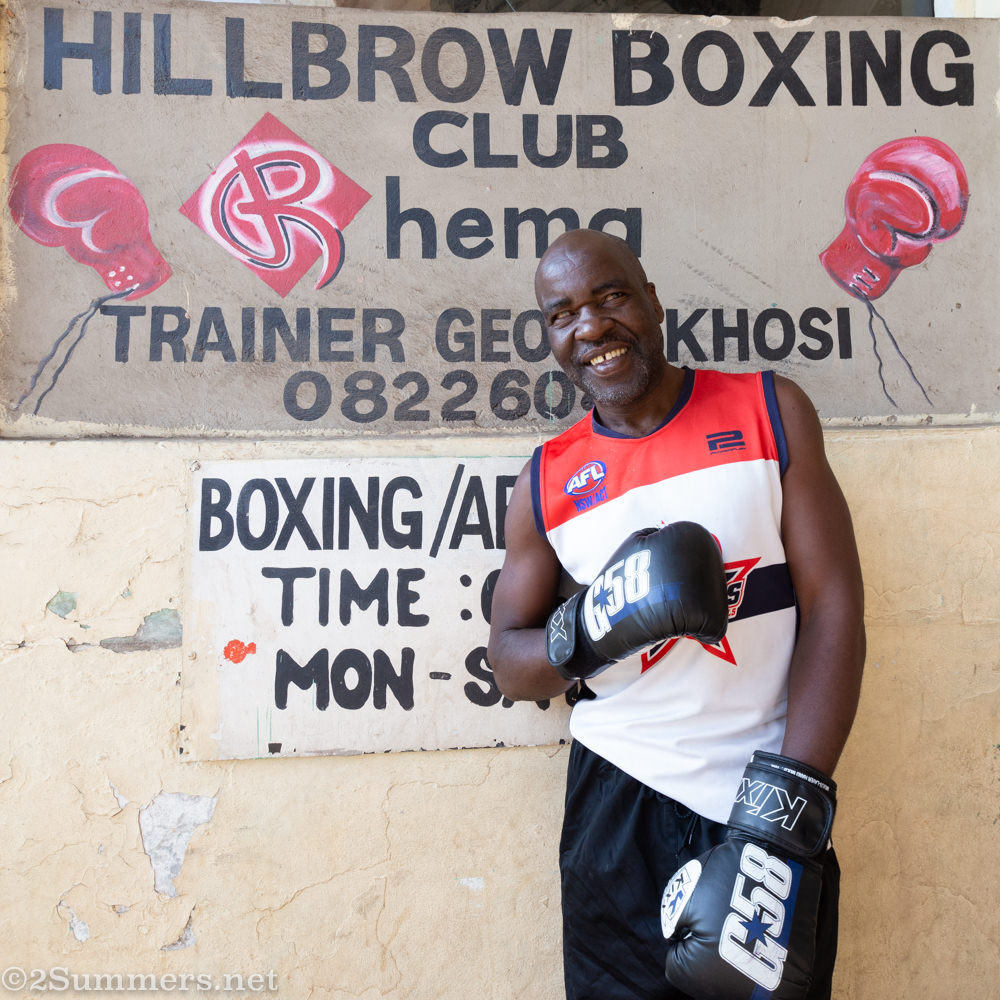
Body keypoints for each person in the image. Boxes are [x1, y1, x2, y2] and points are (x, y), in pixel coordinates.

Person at [486, 228, 865, 1000]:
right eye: (563, 314)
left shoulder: (769, 409)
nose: (591, 327)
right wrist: (589, 626)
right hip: (617, 804)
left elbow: (835, 608)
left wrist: (780, 823)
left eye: (610, 296)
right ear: (551, 337)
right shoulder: (547, 480)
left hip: (763, 795)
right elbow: (508, 662)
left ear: (653, 301)